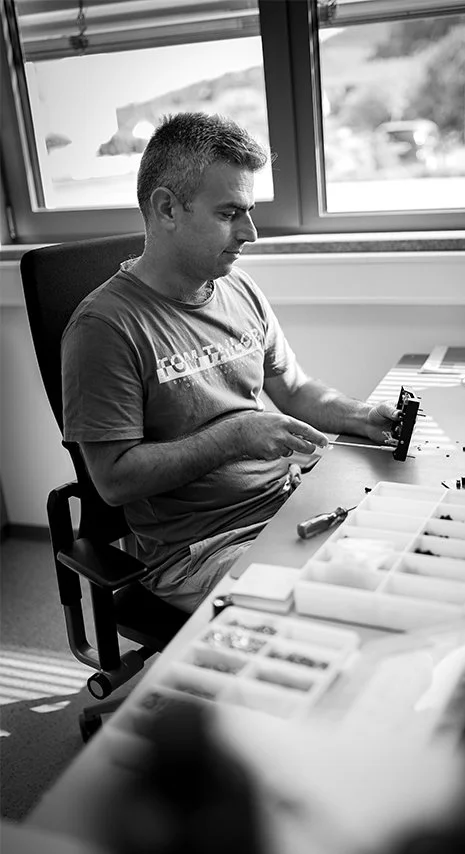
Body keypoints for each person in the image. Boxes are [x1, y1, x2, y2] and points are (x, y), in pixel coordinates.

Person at [61, 112, 401, 613]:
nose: (251, 232)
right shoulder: (104, 329)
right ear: (167, 209)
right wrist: (237, 435)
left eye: (250, 210)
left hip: (290, 503)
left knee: (411, 552)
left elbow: (293, 388)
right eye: (229, 213)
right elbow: (113, 480)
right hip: (200, 550)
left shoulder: (239, 288)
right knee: (346, 607)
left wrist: (363, 416)